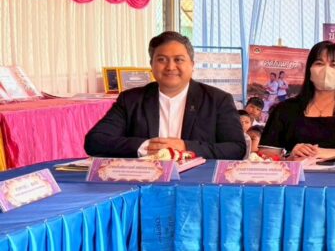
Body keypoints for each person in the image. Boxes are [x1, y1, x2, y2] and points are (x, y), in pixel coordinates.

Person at [85, 31, 247, 160]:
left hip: (198, 182)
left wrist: (185, 147)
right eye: (162, 59)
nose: (170, 67)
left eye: (179, 60)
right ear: (151, 65)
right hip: (143, 182)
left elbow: (236, 148)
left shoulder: (218, 100)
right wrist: (147, 147)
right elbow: (95, 141)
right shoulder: (131, 100)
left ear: (192, 65)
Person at [259, 41, 335, 162]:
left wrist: (334, 153)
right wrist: (290, 159)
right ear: (309, 69)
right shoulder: (285, 109)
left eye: (334, 65)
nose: (326, 70)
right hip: (297, 174)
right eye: (319, 63)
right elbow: (265, 156)